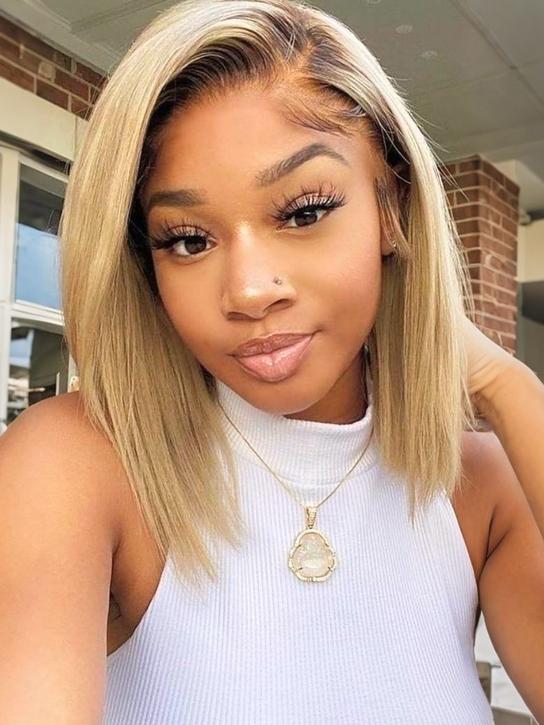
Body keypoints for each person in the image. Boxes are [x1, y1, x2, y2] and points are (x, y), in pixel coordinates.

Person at [1, 0, 543, 722]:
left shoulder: (479, 483)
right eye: (188, 239)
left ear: (391, 207)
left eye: (303, 211)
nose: (250, 290)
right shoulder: (79, 466)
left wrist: (507, 386)